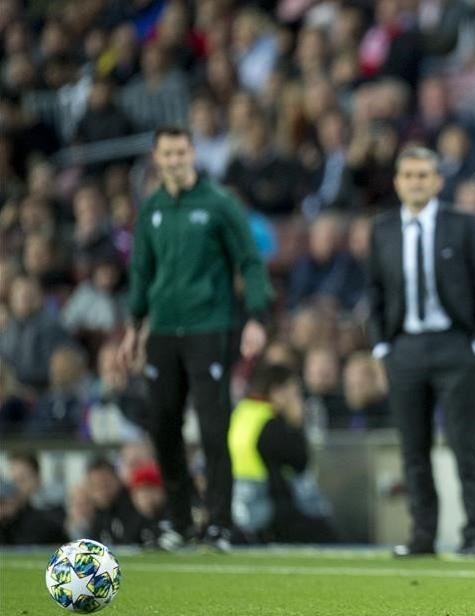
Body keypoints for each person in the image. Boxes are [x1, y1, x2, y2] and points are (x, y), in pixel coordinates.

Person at [121, 125, 273, 552]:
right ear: (156, 157)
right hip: (164, 331)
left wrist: (257, 317)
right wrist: (134, 327)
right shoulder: (150, 208)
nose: (174, 160)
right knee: (164, 427)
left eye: (181, 152)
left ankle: (219, 523)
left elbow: (249, 260)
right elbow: (141, 273)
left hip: (210, 326)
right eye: (167, 153)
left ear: (193, 154)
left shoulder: (219, 204)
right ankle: (180, 521)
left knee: (212, 427)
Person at [367, 146, 475, 557]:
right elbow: (374, 290)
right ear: (397, 182)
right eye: (408, 175)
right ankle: (422, 537)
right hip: (404, 348)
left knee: (465, 444)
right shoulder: (382, 228)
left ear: (438, 181)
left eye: (423, 175)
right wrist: (380, 345)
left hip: (454, 346)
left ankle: (474, 535)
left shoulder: (462, 224)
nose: (416, 182)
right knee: (413, 447)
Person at [229, 363, 339, 543]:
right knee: (323, 530)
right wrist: (296, 422)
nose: (298, 399)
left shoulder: (241, 413)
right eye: (294, 393)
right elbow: (300, 463)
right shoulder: (271, 425)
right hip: (266, 508)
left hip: (238, 506)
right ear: (277, 392)